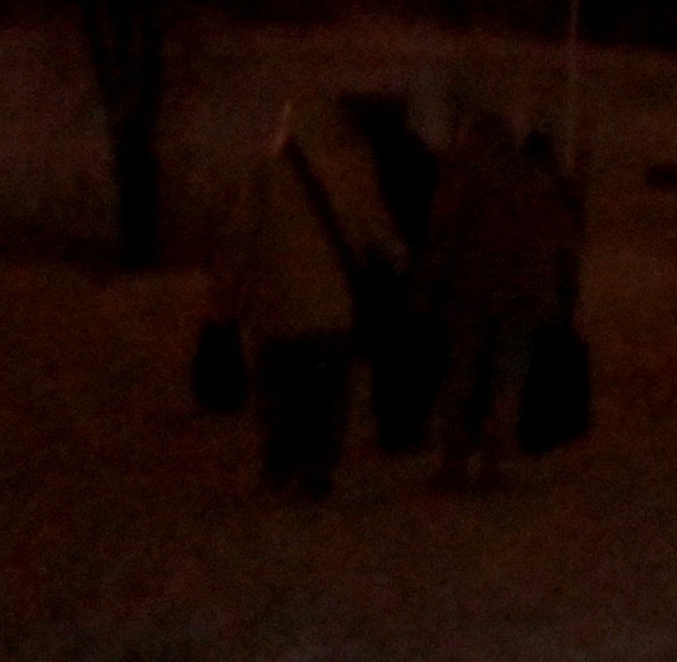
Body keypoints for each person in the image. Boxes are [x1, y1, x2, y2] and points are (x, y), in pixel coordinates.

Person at [216, 97, 404, 499]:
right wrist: (399, 260)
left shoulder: (267, 169)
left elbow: (239, 234)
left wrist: (227, 291)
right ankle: (317, 465)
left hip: (276, 302)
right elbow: (376, 224)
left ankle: (280, 460)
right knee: (326, 388)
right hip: (332, 303)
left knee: (279, 385)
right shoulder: (353, 165)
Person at [419, 106, 584, 487]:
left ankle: (454, 457)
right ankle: (495, 455)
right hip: (524, 289)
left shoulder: (462, 170)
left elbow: (443, 230)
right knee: (509, 373)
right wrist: (561, 290)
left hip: (471, 285)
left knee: (462, 369)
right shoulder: (532, 172)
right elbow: (560, 236)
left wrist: (428, 281)